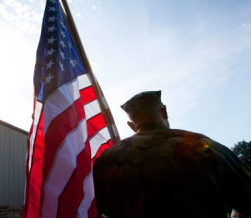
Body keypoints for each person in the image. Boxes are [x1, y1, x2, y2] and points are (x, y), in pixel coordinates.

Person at [93, 91, 251, 218]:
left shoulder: (107, 160)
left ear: (131, 125)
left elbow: (93, 210)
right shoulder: (202, 145)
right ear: (164, 111)